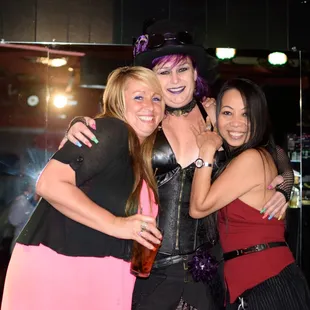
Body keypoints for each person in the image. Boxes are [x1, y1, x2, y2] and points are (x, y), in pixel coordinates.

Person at [59, 20, 294, 310]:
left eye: (182, 69)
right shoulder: (140, 120)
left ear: (195, 73)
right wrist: (77, 126)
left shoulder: (215, 114)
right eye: (164, 71)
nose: (175, 80)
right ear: (151, 78)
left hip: (208, 272)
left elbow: (272, 150)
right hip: (149, 272)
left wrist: (286, 184)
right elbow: (87, 154)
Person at [1, 66, 164, 310]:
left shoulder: (137, 156)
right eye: (138, 97)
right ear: (118, 103)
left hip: (102, 274)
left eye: (156, 98)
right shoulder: (113, 130)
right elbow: (49, 183)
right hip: (65, 271)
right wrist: (117, 224)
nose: (150, 106)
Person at [190, 78, 310, 310]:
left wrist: (205, 149)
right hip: (255, 283)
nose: (236, 123)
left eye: (246, 114)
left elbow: (198, 207)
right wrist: (287, 179)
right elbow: (280, 154)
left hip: (267, 284)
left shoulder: (252, 158)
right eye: (227, 112)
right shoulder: (248, 155)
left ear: (258, 119)